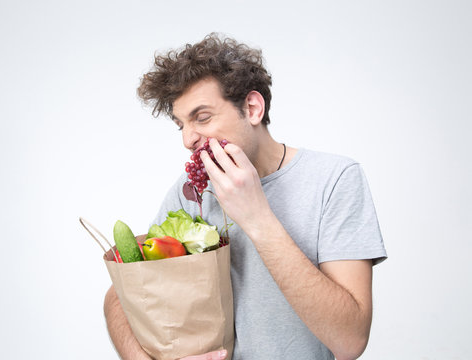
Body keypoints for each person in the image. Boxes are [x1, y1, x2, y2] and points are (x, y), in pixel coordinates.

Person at [104, 33, 387, 360]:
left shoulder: (334, 179)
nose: (187, 138)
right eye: (180, 124)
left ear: (252, 108)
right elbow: (121, 295)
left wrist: (257, 217)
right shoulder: (192, 191)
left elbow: (350, 342)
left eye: (202, 117)